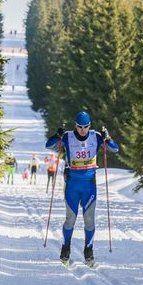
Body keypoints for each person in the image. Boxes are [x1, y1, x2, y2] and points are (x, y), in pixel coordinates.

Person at [45, 111, 119, 265]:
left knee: (89, 220)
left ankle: (89, 250)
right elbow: (49, 145)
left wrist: (108, 137)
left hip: (89, 185)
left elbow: (115, 149)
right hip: (72, 183)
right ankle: (66, 248)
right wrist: (57, 135)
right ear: (75, 126)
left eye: (86, 126)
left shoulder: (96, 136)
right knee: (70, 219)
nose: (83, 130)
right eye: (80, 127)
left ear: (89, 126)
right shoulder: (68, 136)